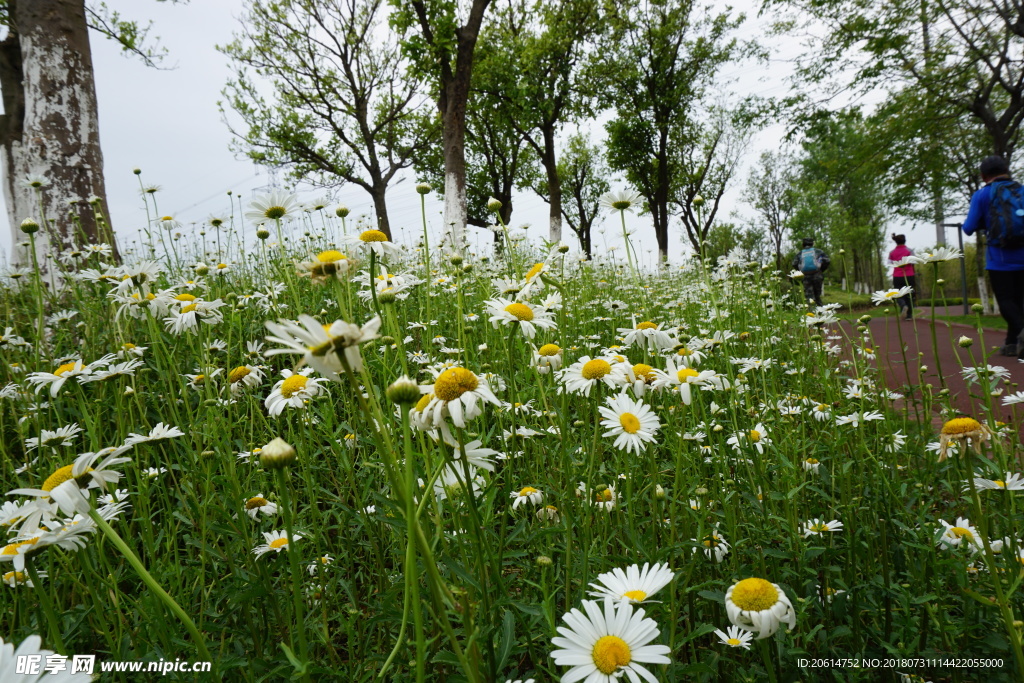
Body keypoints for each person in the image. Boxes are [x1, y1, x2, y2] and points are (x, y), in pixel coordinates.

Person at [961, 155, 1024, 357]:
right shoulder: (1021, 190)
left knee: (1006, 300)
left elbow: (969, 227)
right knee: (1020, 300)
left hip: (1000, 259)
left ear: (983, 176)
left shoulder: (982, 195)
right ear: (1007, 170)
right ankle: (1012, 344)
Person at [793, 237, 830, 306]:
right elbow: (827, 260)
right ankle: (821, 312)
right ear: (812, 244)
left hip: (805, 277)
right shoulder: (818, 251)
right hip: (817, 275)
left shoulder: (800, 253)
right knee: (817, 295)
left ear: (803, 244)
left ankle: (811, 312)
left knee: (809, 297)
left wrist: (800, 272)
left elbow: (794, 264)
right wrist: (821, 270)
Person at [888, 234, 916, 320]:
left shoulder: (892, 252)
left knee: (898, 293)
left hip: (897, 275)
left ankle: (903, 305)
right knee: (909, 294)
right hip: (909, 275)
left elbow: (890, 263)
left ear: (896, 241)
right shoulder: (909, 251)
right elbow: (913, 262)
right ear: (905, 240)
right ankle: (909, 315)